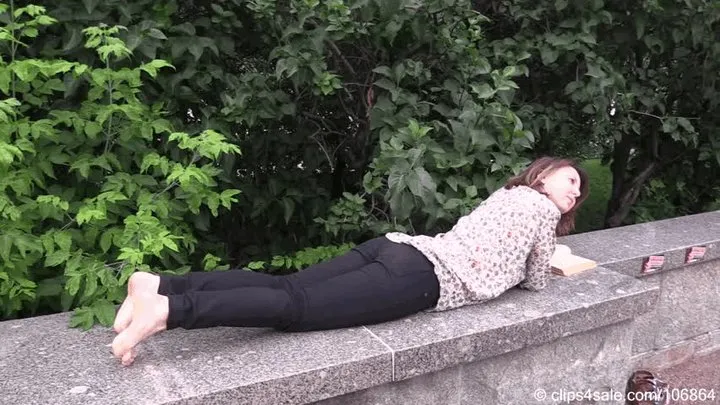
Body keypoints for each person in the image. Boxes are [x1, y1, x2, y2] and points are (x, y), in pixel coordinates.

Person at [111, 156, 589, 366]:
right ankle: (170, 312)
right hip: (423, 276)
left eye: (580, 192)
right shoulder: (542, 209)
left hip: (398, 247)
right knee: (295, 309)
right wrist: (551, 256)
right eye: (570, 181)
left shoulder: (506, 195)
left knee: (286, 287)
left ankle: (160, 283)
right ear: (543, 177)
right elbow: (535, 282)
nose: (575, 192)